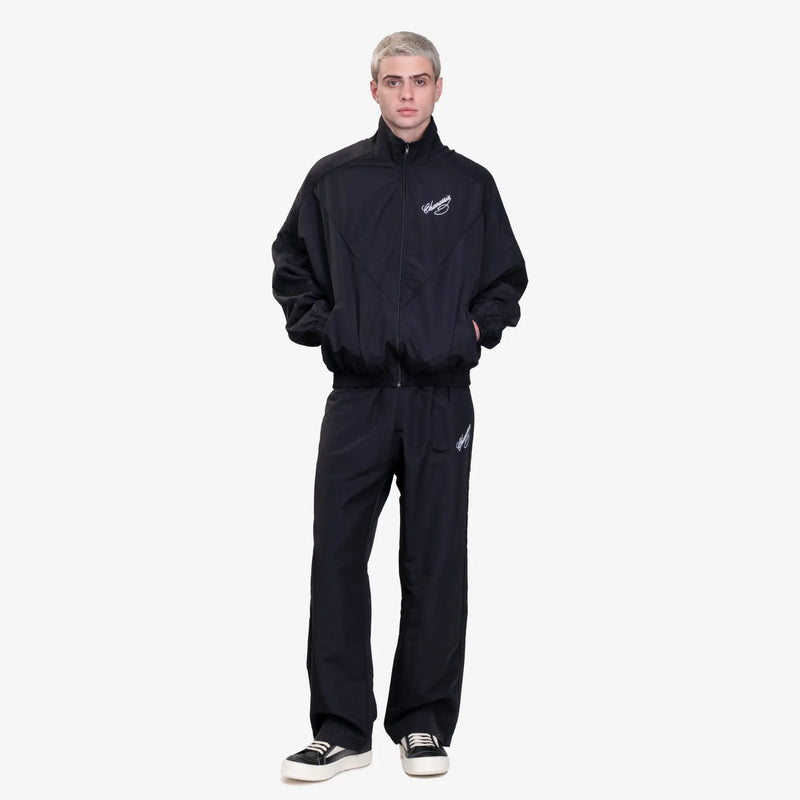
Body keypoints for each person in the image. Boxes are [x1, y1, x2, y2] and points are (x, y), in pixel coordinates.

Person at [271, 31, 528, 781]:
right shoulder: (334, 179)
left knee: (434, 558)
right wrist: (329, 329)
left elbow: (506, 280)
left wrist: (470, 330)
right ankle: (341, 730)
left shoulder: (471, 184)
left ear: (439, 88)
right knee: (338, 558)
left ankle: (422, 723)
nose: (407, 94)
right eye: (393, 81)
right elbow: (291, 264)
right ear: (374, 90)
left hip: (442, 400)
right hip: (356, 399)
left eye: (419, 80)